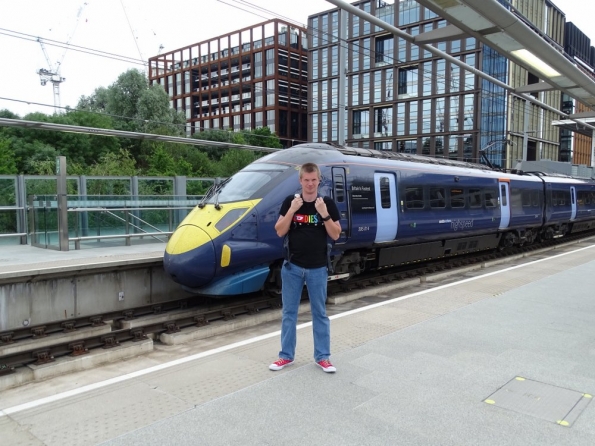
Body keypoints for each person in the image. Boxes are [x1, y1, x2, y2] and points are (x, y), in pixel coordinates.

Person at [269, 162, 342, 373]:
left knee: (319, 313)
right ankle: (286, 356)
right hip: (292, 267)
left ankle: (323, 357)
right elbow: (279, 231)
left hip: (318, 268)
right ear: (300, 181)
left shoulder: (326, 203)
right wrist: (292, 210)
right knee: (289, 313)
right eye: (306, 180)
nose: (310, 184)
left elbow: (336, 234)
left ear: (319, 180)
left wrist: (324, 213)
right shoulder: (290, 202)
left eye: (313, 180)